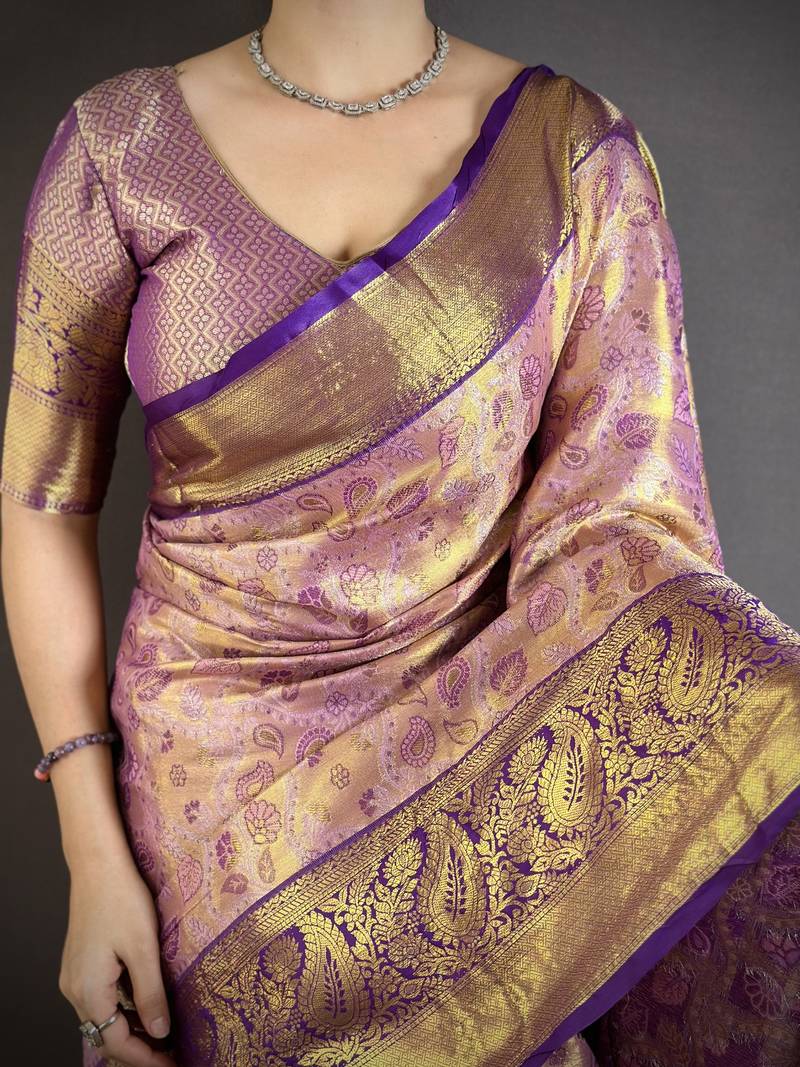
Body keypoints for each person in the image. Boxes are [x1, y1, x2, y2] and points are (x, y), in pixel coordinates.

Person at [1, 3, 798, 1065]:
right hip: (210, 815)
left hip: (488, 778)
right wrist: (90, 852)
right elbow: (41, 502)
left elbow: (621, 517)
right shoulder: (120, 150)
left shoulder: (571, 155)